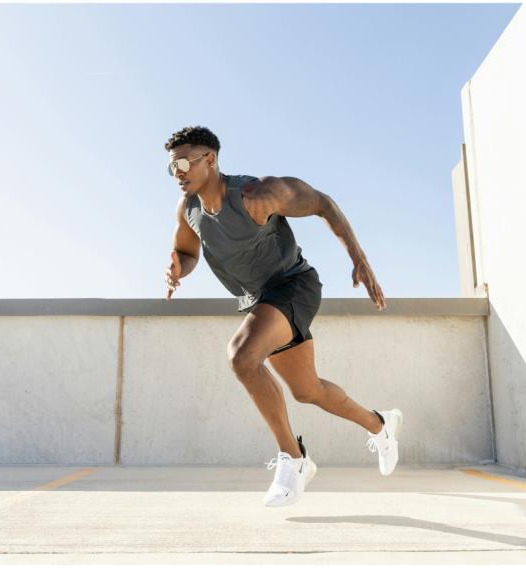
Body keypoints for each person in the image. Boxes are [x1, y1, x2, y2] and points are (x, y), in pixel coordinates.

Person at [163, 125, 403, 507]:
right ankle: (381, 424)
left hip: (293, 285)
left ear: (209, 159)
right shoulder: (189, 209)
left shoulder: (257, 195)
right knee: (308, 391)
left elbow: (323, 202)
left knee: (242, 356)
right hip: (259, 300)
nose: (176, 171)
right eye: (170, 166)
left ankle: (294, 459)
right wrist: (179, 269)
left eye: (182, 162)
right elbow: (188, 252)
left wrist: (360, 260)